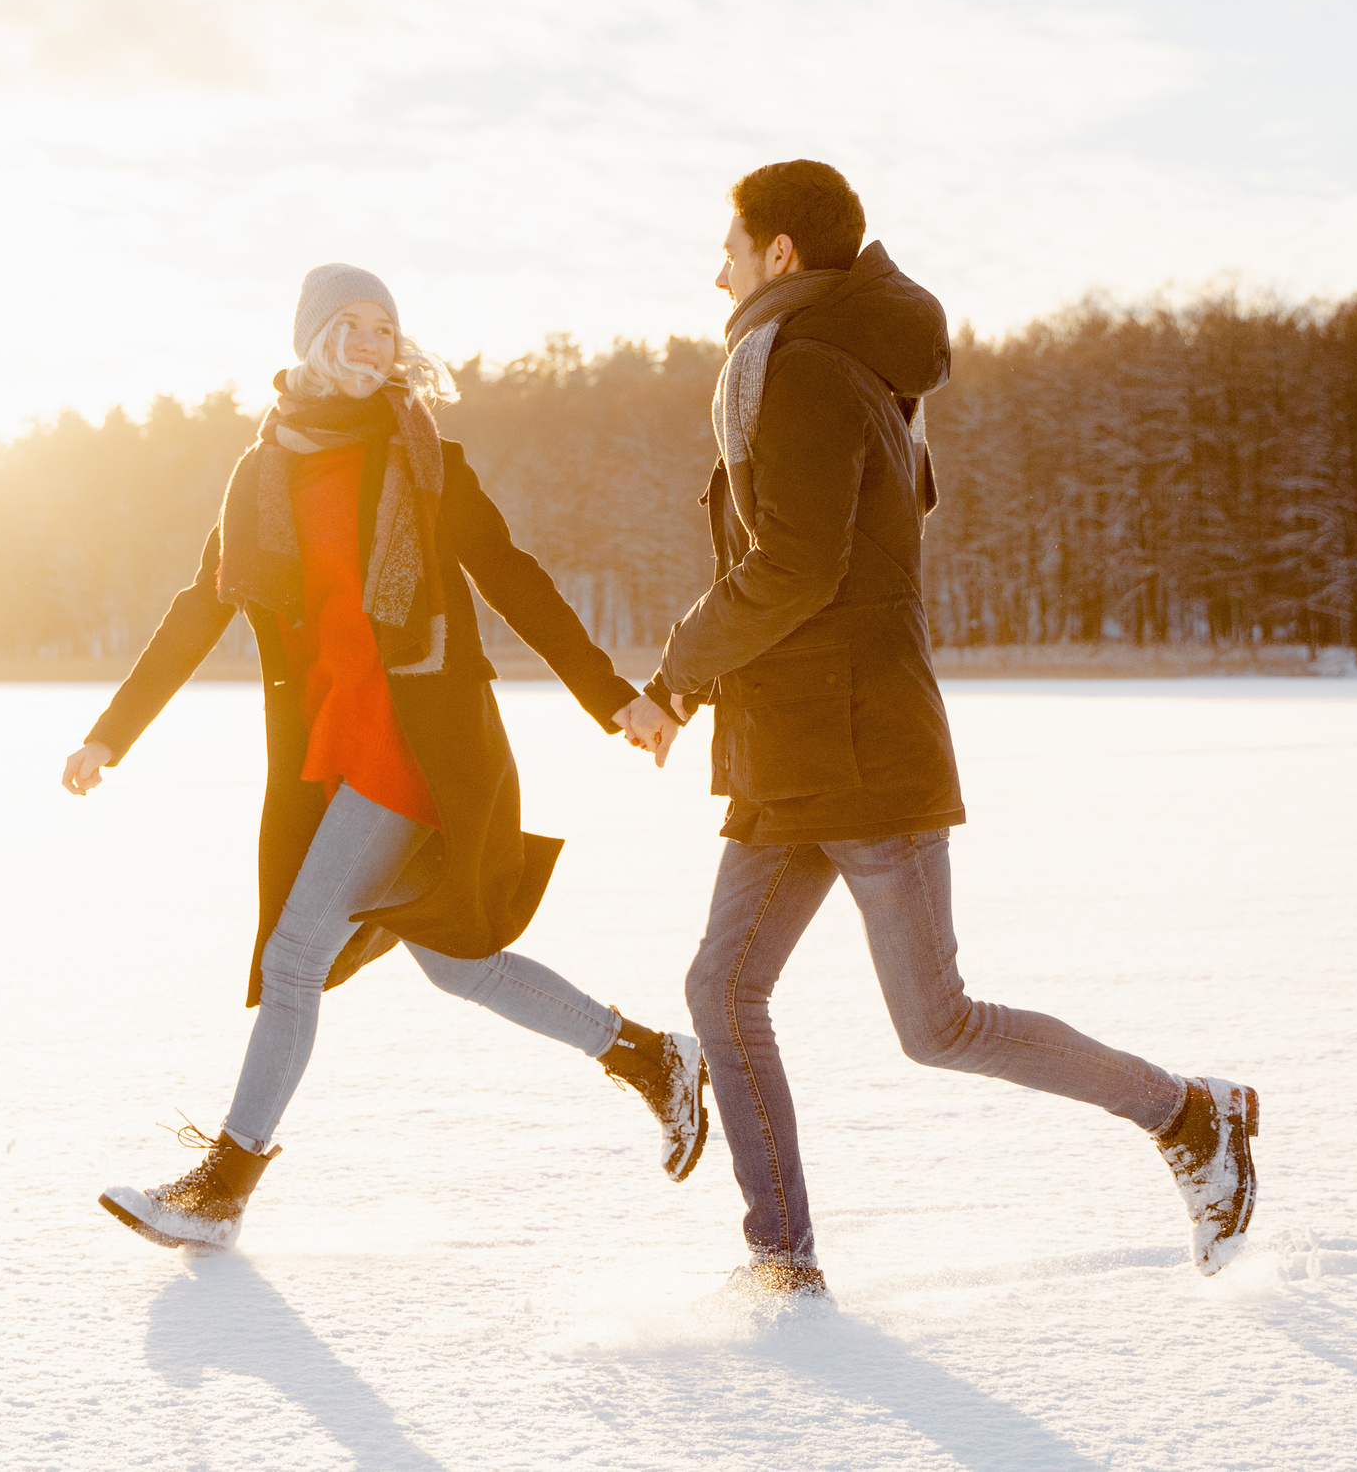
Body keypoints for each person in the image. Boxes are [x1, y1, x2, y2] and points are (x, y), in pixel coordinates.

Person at [646, 161, 1260, 1302]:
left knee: (937, 1025)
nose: (714, 272)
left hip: (859, 748)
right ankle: (781, 1261)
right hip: (796, 744)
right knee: (721, 992)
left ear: (779, 253)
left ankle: (1188, 1114)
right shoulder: (830, 363)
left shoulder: (807, 370)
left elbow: (793, 568)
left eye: (727, 249)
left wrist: (675, 679)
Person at [72, 263, 709, 1252]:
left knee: (294, 957)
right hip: (329, 748)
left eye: (385, 327)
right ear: (312, 338)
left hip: (418, 744)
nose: (374, 344)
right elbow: (201, 607)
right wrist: (111, 732)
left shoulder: (424, 461)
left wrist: (610, 695)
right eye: (353, 325)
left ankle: (222, 1188)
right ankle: (652, 1057)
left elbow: (512, 577)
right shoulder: (261, 474)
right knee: (462, 967)